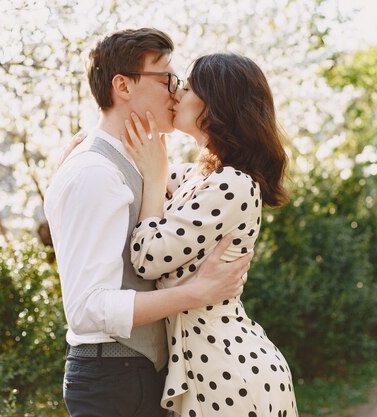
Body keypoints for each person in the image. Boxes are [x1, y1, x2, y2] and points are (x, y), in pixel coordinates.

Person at [44, 29, 252, 417]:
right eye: (166, 79)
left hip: (135, 375)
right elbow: (87, 308)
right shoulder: (95, 172)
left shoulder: (132, 165)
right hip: (114, 380)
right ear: (123, 85)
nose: (176, 92)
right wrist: (196, 294)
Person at [122, 53, 298, 416]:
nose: (176, 94)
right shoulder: (197, 177)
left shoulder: (232, 184)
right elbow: (134, 179)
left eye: (187, 87)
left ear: (213, 104)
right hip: (204, 364)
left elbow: (147, 257)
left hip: (226, 369)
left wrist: (155, 177)